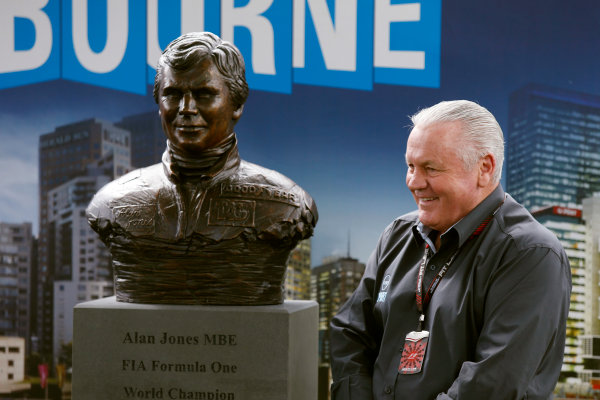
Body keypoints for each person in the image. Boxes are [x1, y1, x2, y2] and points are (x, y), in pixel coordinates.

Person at [329, 100, 571, 399]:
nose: (414, 182)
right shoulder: (396, 235)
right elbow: (350, 333)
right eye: (410, 166)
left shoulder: (530, 254)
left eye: (430, 168)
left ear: (484, 168)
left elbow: (492, 385)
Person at [87, 32, 317, 305]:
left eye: (204, 94)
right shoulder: (111, 202)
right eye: (173, 94)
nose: (186, 109)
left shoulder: (287, 202)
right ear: (159, 105)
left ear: (237, 105)